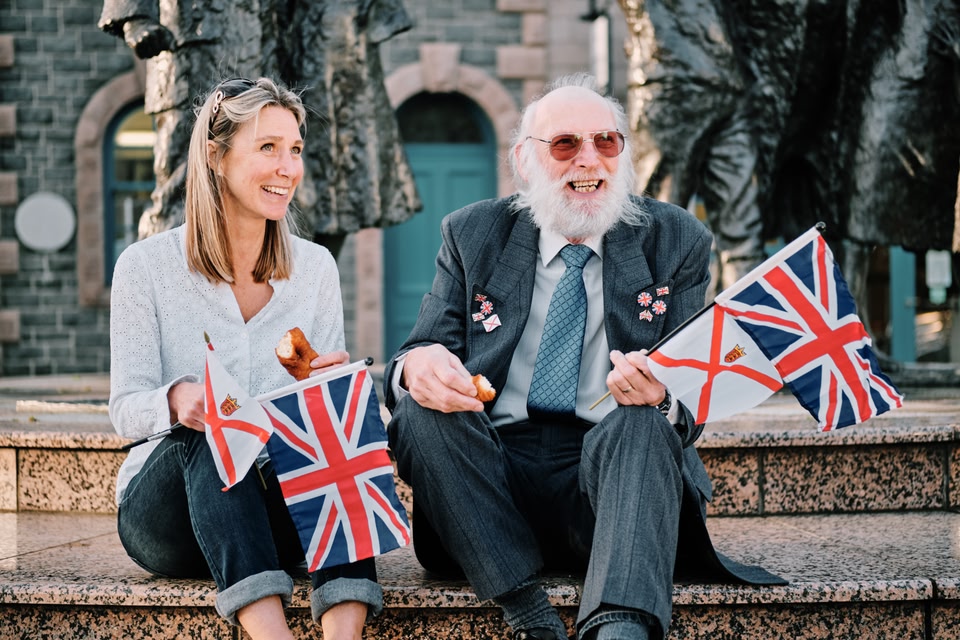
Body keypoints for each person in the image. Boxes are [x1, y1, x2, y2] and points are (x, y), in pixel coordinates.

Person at [383, 74, 784, 640]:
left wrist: (664, 398)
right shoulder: (473, 233)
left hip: (613, 486)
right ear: (525, 161)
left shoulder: (675, 239)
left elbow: (689, 406)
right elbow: (414, 355)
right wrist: (415, 368)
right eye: (565, 144)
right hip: (490, 487)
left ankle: (619, 629)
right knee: (420, 412)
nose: (588, 160)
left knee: (644, 423)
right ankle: (528, 612)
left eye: (607, 142)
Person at [109, 77, 380, 640]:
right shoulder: (145, 268)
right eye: (268, 148)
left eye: (296, 149)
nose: (289, 168)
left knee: (335, 425)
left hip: (281, 509)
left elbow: (317, 420)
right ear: (215, 156)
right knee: (211, 424)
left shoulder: (315, 269)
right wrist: (180, 399)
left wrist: (326, 391)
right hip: (170, 515)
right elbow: (125, 409)